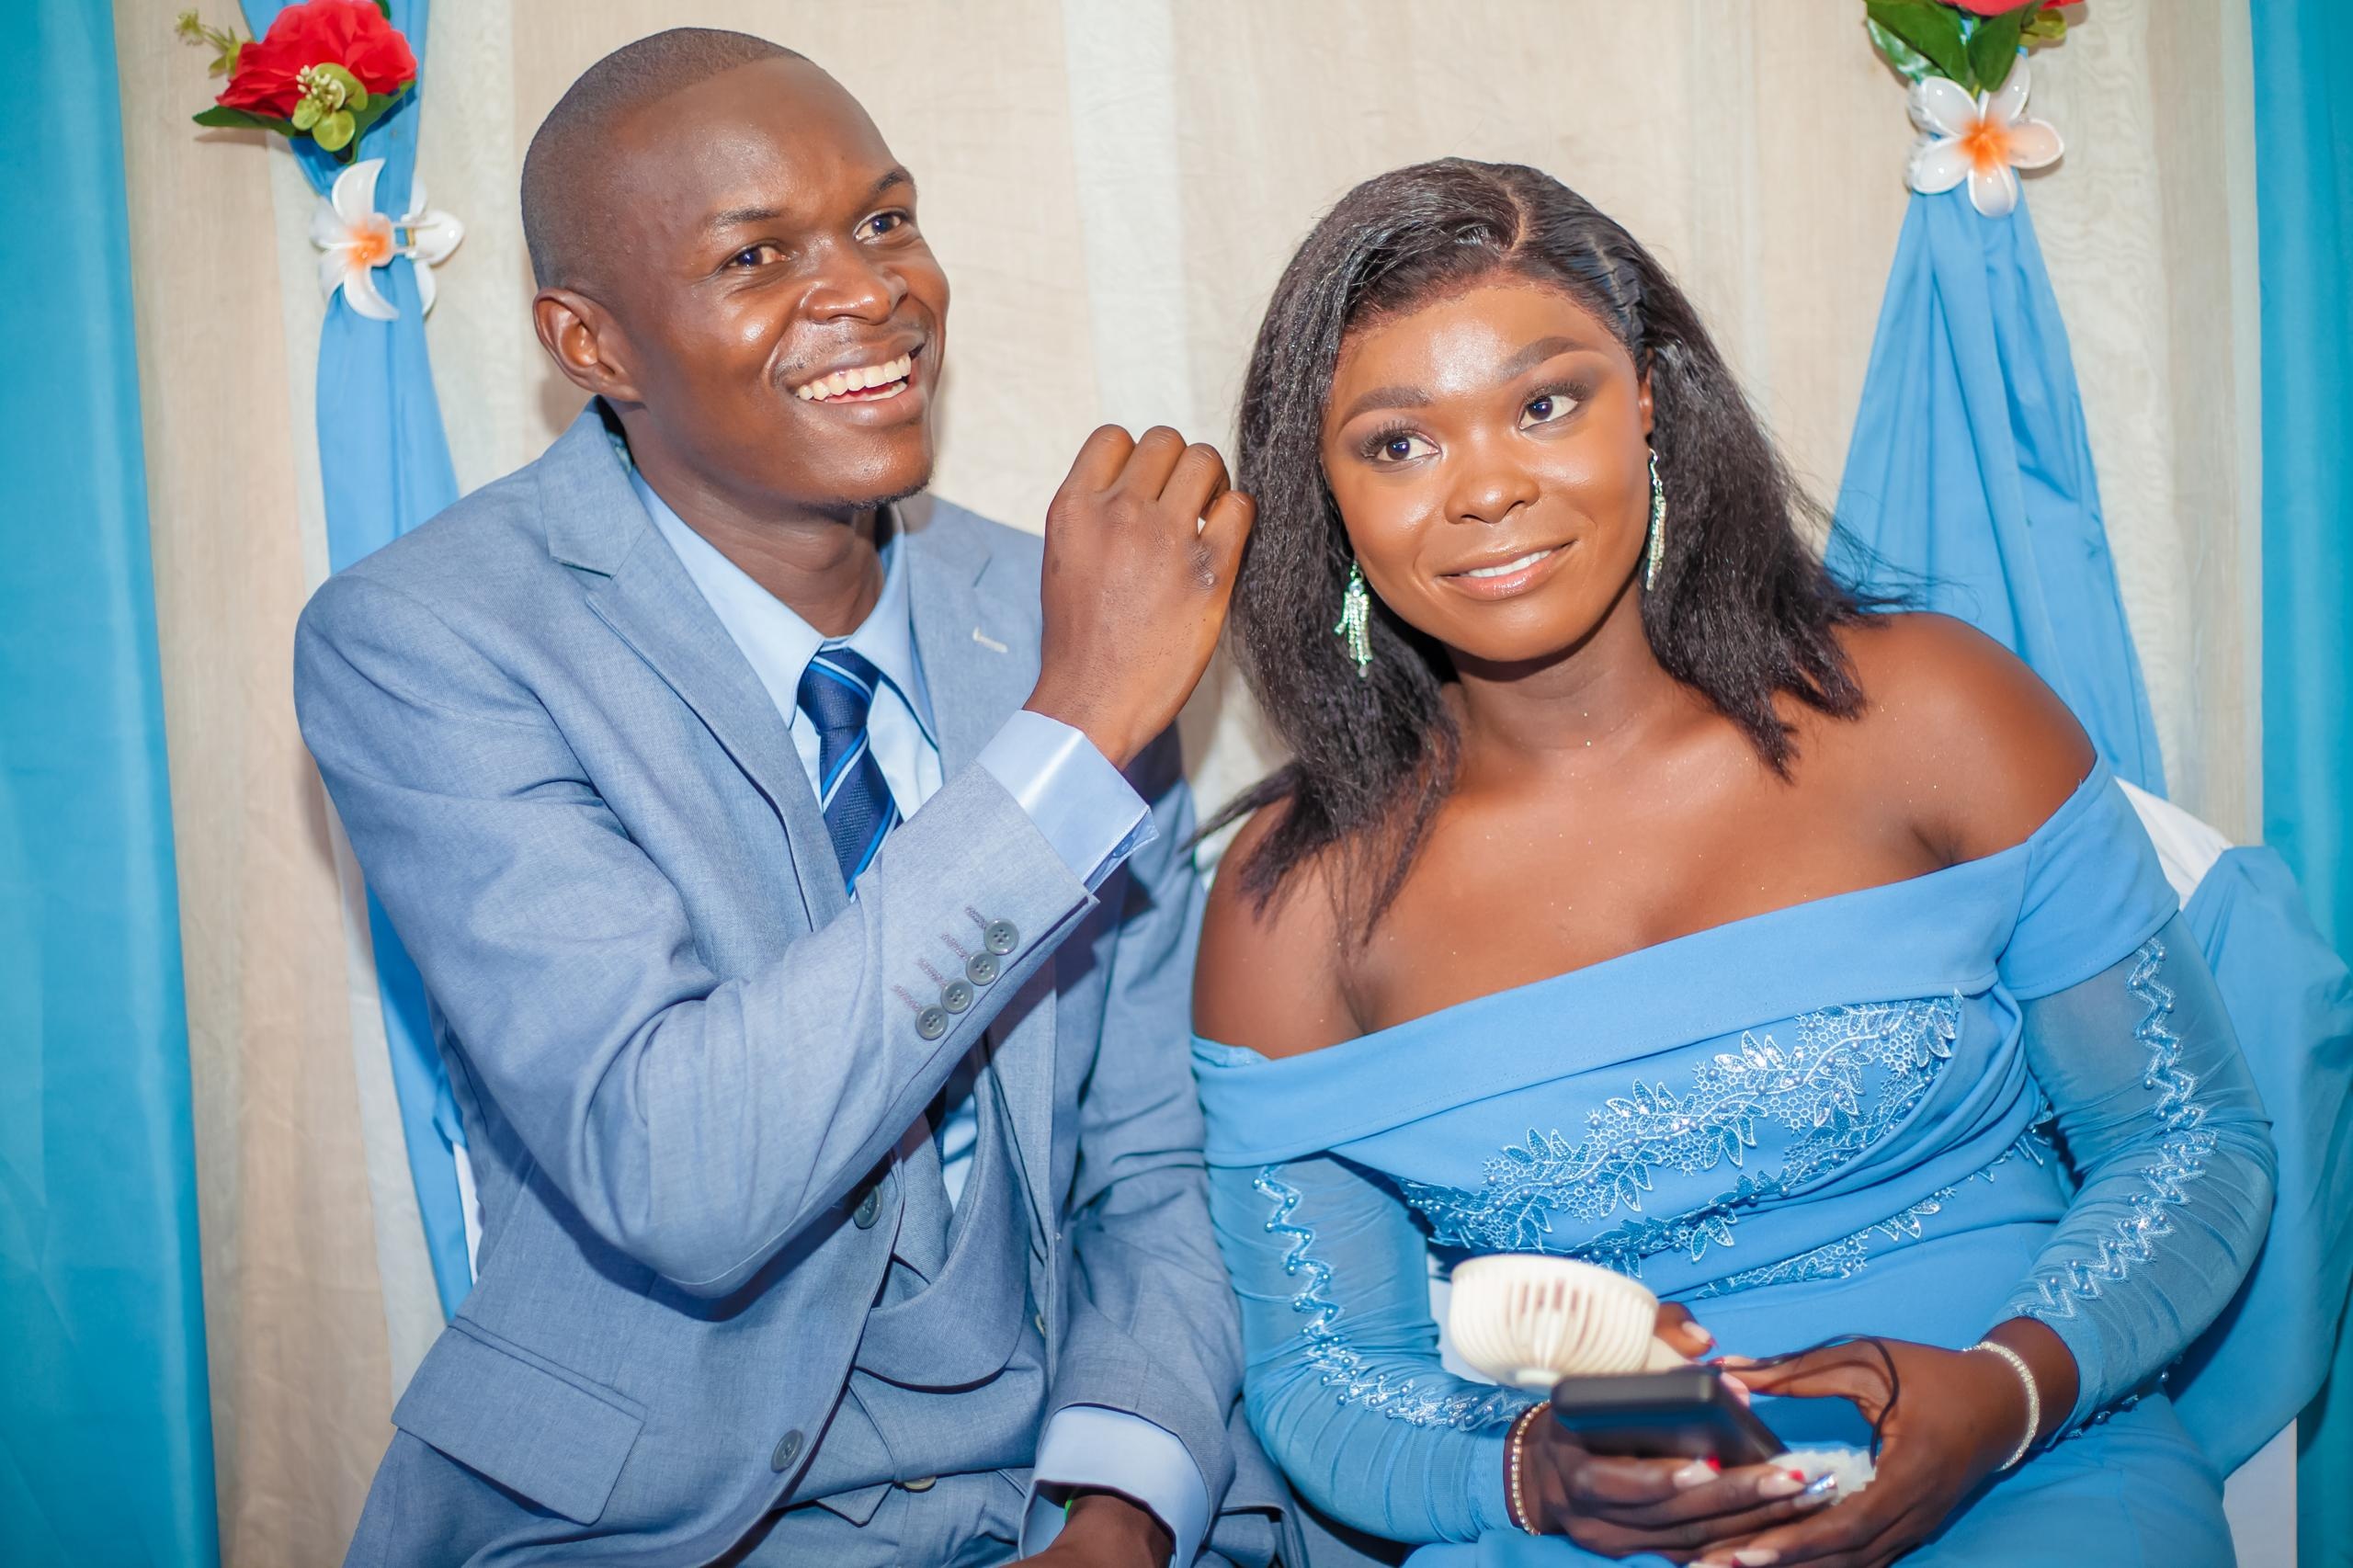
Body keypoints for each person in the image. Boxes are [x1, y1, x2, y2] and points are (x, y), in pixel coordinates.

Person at [1189, 158, 2275, 1567]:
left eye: (1544, 404)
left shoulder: (1933, 715)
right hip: (1593, 1524)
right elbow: (1322, 1374)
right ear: (1325, 493)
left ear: (1648, 399)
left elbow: (2190, 1141)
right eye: (1400, 443)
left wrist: (2006, 1393)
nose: (1488, 488)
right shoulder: (1293, 908)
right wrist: (1532, 1471)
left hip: (2030, 1461)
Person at [296, 28, 1279, 1568]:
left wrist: (1121, 1506)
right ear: (593, 344)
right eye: (758, 253)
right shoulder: (430, 641)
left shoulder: (1060, 607)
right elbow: (680, 1173)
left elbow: (1152, 1162)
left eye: (885, 219)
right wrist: (1074, 730)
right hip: (658, 1523)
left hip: (1050, 1493)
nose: (869, 291)